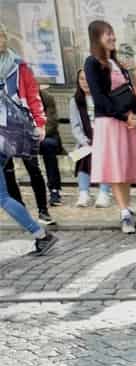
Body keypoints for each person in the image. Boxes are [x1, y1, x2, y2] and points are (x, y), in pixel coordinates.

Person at [84, 20, 136, 234]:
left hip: (126, 121)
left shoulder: (115, 63)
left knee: (125, 167)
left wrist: (135, 115)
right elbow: (100, 98)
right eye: (107, 34)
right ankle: (124, 213)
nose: (112, 38)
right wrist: (124, 116)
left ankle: (128, 208)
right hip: (111, 122)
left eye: (112, 33)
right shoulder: (92, 63)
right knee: (116, 168)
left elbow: (126, 92)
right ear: (97, 38)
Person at [0, 28, 54, 226]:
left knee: (33, 167)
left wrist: (39, 123)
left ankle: (43, 210)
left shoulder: (19, 65)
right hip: (1, 126)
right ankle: (22, 212)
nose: (1, 41)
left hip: (22, 122)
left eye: (2, 36)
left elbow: (33, 95)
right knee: (8, 171)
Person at [69, 68, 112, 208]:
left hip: (104, 139)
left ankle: (104, 192)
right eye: (81, 79)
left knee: (104, 156)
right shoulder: (75, 101)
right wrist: (84, 141)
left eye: (88, 78)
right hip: (86, 139)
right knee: (84, 154)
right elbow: (75, 126)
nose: (85, 82)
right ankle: (84, 193)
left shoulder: (103, 97)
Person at [38, 87, 64, 207]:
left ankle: (54, 189)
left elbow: (52, 121)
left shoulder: (47, 97)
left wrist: (39, 135)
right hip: (25, 136)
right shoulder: (16, 99)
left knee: (48, 145)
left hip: (46, 135)